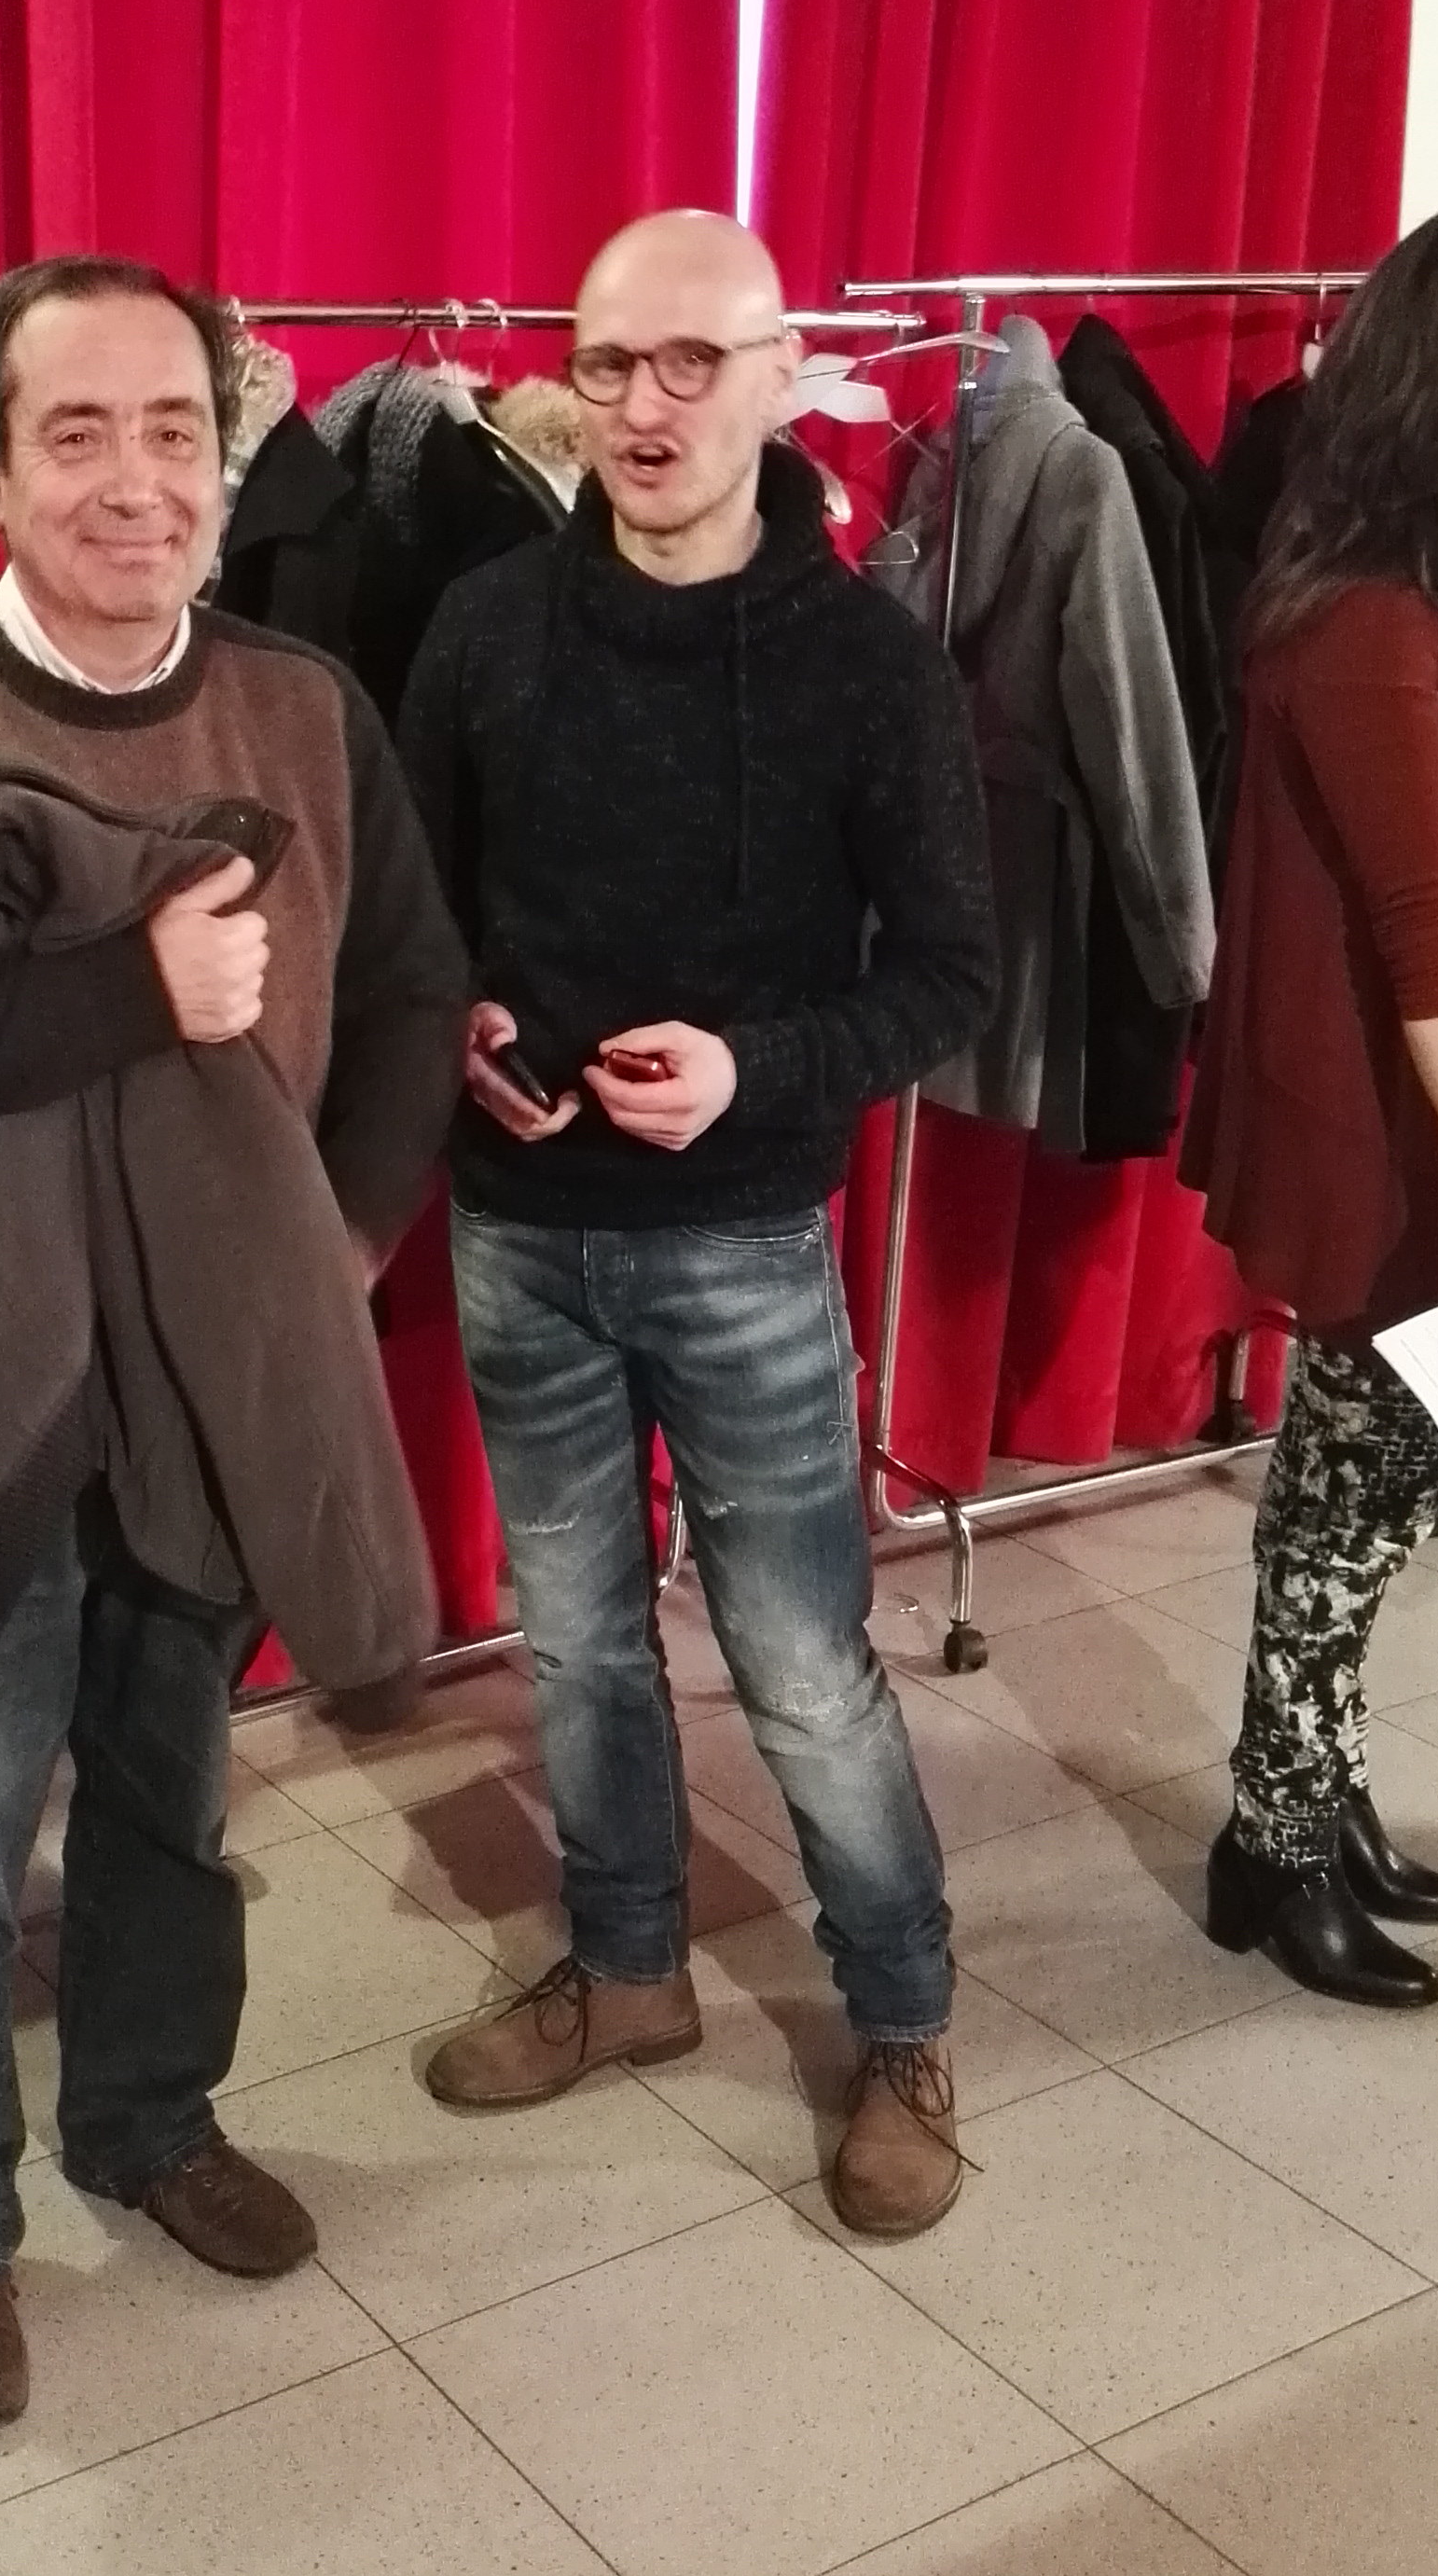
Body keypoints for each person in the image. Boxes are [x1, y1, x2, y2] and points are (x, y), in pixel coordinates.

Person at [0, 256, 467, 2428]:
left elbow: (414, 989)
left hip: (207, 1377)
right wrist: (131, 993)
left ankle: (148, 2119)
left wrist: (336, 1244)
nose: (135, 481)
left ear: (226, 463)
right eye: (77, 434)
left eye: (175, 432)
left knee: (169, 1795)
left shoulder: (307, 708)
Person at [398, 211, 998, 2237]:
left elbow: (949, 975)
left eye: (689, 364)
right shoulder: (484, 626)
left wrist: (757, 1070)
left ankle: (901, 2022)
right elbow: (415, 919)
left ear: (779, 378)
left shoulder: (869, 664)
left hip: (741, 1235)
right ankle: (630, 1966)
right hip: (520, 1226)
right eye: (607, 363)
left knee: (803, 1663)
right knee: (575, 1641)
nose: (642, 406)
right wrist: (458, 1023)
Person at [1182, 197, 1438, 2004]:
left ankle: (1309, 1795)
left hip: (1436, 1090)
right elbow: (1423, 922)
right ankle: (1277, 1840)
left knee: (1357, 1471)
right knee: (1356, 1486)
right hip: (1391, 1120)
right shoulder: (1369, 617)